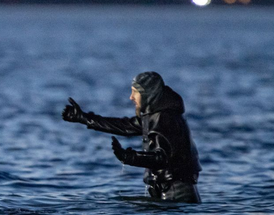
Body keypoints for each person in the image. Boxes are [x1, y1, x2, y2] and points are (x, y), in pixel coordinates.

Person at [62, 71, 201, 203]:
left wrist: (129, 157)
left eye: (135, 92)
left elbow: (162, 159)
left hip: (176, 194)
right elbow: (124, 126)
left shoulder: (165, 118)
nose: (131, 97)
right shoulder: (155, 116)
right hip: (169, 191)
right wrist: (84, 118)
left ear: (148, 94)